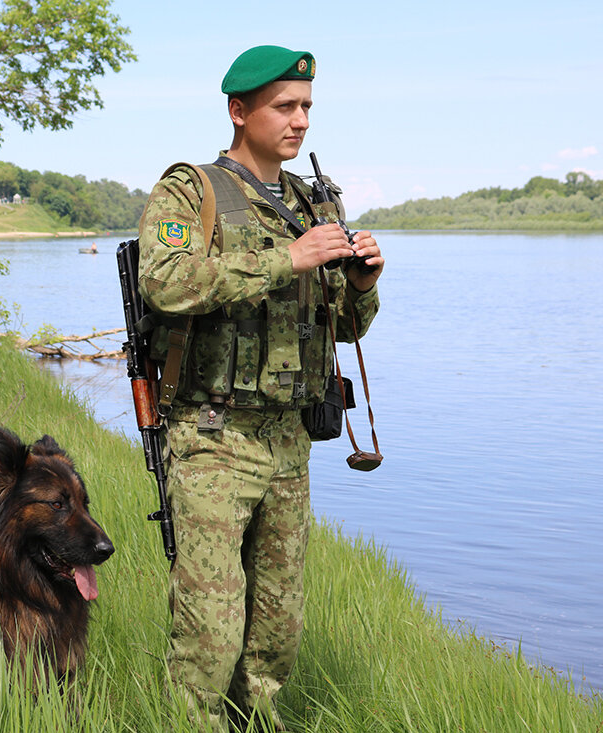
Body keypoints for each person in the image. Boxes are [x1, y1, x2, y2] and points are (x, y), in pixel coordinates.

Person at [136, 45, 384, 730]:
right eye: (284, 106)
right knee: (210, 631)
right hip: (213, 436)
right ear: (239, 111)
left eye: (306, 106)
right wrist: (289, 257)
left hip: (289, 440)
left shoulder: (313, 201)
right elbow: (163, 283)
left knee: (276, 629)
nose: (299, 120)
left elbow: (341, 323)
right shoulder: (193, 190)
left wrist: (361, 281)